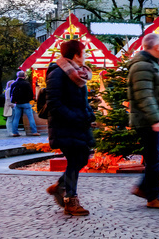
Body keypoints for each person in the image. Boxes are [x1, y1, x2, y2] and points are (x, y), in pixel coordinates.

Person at [45, 39, 96, 217]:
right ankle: (70, 201)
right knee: (76, 160)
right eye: (85, 52)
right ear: (76, 54)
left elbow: (81, 101)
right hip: (65, 126)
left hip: (78, 125)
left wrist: (89, 114)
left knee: (81, 159)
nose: (87, 55)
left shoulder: (77, 73)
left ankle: (60, 186)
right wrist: (77, 117)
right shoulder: (57, 74)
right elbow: (54, 104)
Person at [128, 32, 159, 209]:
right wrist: (155, 119)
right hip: (149, 121)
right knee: (155, 157)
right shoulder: (142, 66)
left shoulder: (152, 65)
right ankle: (152, 196)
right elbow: (144, 95)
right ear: (156, 47)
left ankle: (143, 187)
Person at [8, 70, 40, 137]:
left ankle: (15, 132)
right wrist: (30, 99)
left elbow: (11, 93)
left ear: (18, 76)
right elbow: (31, 93)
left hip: (17, 103)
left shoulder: (14, 84)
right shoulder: (27, 84)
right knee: (30, 117)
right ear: (24, 76)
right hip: (26, 103)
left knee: (16, 118)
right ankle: (34, 131)